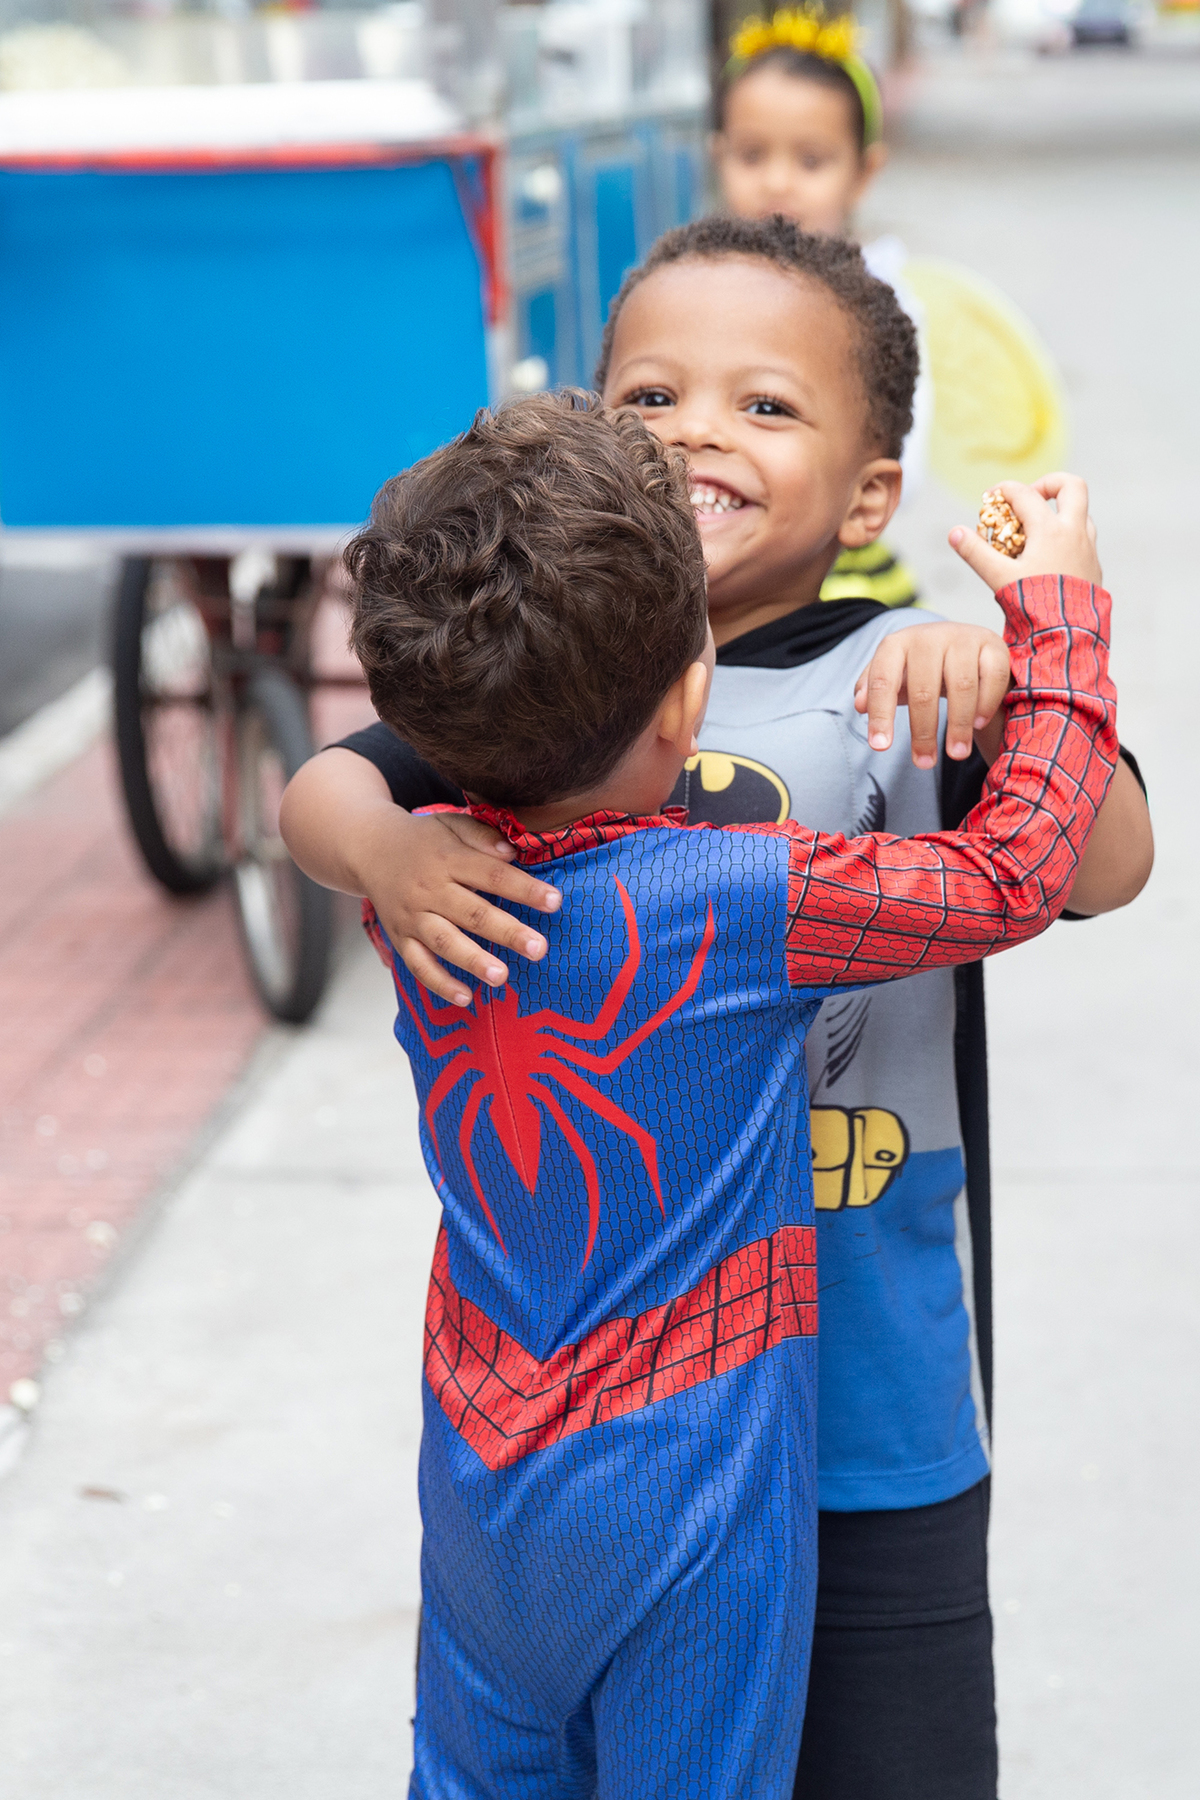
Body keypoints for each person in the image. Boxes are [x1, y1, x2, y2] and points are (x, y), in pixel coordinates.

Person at [281, 219, 1154, 1800]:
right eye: (650, 398)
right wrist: (389, 852)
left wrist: (1013, 678)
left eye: (765, 406)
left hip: (865, 1404)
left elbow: (1098, 869)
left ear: (874, 492)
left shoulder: (907, 666)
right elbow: (328, 790)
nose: (696, 431)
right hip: (641, 1423)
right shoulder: (540, 670)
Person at [713, 4, 929, 608]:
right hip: (719, 554)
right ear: (718, 154)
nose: (778, 182)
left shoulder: (879, 299)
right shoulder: (702, 289)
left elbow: (908, 449)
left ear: (863, 171)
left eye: (811, 161)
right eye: (752, 155)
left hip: (841, 572)